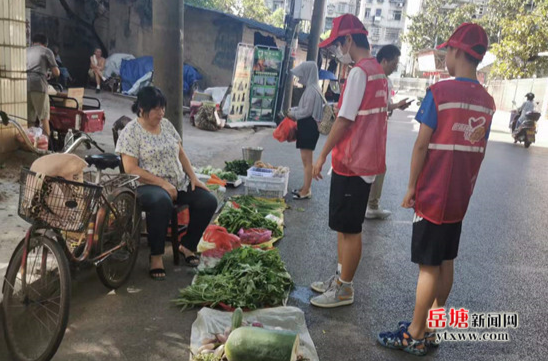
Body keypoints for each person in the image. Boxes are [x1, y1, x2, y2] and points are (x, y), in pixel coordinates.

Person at [377, 23, 495, 356]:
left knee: (427, 265)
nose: (444, 58)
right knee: (446, 260)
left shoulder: (439, 93)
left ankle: (414, 333)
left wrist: (412, 187)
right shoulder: (487, 102)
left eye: (446, 52)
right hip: (459, 196)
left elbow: (421, 145)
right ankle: (431, 326)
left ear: (458, 52)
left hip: (433, 194)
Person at [310, 14, 388, 308]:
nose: (338, 50)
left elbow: (343, 121)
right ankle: (341, 279)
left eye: (339, 43)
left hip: (354, 162)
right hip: (365, 161)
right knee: (346, 227)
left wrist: (322, 154)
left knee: (350, 230)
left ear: (350, 40)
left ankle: (345, 289)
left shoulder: (360, 72)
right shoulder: (378, 71)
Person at [115, 86, 218, 280]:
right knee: (162, 202)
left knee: (208, 201)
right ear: (142, 109)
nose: (161, 113)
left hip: (177, 182)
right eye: (156, 109)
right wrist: (162, 184)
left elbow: (180, 153)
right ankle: (156, 256)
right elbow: (131, 169)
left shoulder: (167, 125)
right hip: (147, 185)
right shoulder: (131, 132)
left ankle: (187, 246)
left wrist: (193, 178)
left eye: (163, 108)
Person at [365, 45, 412, 220]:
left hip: (377, 132)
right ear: (384, 60)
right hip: (369, 133)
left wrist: (397, 106)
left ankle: (370, 204)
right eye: (394, 63)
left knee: (378, 168)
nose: (395, 67)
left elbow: (382, 105)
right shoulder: (370, 76)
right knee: (375, 168)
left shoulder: (385, 80)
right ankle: (370, 205)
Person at [288, 61, 323, 200]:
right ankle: (305, 187)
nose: (299, 77)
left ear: (308, 74)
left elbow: (307, 111)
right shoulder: (313, 88)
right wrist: (295, 110)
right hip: (308, 127)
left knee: (307, 161)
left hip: (308, 127)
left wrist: (293, 114)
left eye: (302, 74)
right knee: (306, 161)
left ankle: (306, 190)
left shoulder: (311, 90)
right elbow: (305, 109)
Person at [26, 33, 60, 138]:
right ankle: (46, 145)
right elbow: (56, 72)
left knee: (30, 118)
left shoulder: (26, 50)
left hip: (24, 84)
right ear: (45, 44)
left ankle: (29, 142)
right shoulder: (46, 51)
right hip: (39, 85)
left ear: (33, 42)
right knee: (44, 116)